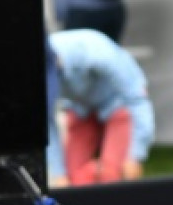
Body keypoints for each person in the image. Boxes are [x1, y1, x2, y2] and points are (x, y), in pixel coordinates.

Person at [47, 28, 154, 185]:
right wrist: (59, 173)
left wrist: (135, 156)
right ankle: (93, 174)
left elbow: (137, 99)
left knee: (111, 177)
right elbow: (47, 123)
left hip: (117, 104)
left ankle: (105, 173)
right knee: (72, 182)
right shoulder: (36, 70)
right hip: (80, 108)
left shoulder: (96, 51)